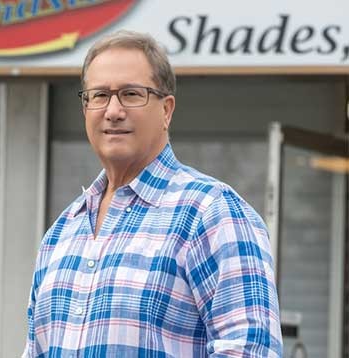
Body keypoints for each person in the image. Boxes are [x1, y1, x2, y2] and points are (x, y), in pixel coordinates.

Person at [22, 30, 282, 357]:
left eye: (131, 94)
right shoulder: (61, 234)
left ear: (166, 110)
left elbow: (249, 351)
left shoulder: (211, 214)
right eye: (99, 95)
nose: (113, 110)